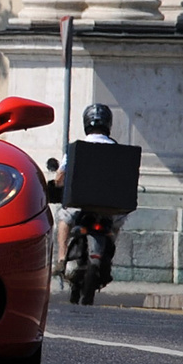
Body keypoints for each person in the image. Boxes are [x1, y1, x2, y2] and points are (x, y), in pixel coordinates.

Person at [54, 103, 128, 276]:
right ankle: (108, 257)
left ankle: (61, 259)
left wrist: (58, 183)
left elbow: (60, 177)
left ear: (86, 123)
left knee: (63, 219)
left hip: (80, 203)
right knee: (115, 225)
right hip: (110, 207)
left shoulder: (75, 148)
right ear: (108, 124)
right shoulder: (119, 150)